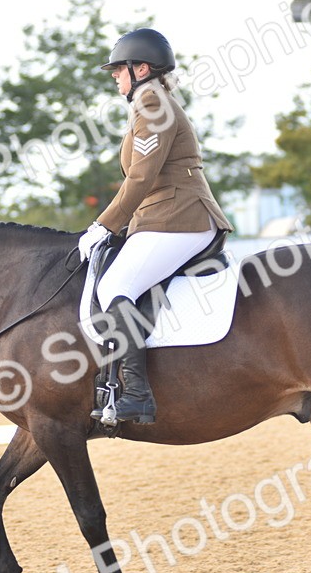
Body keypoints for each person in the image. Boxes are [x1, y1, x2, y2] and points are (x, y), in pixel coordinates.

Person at [77, 27, 233, 425]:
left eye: (119, 69)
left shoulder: (151, 102)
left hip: (180, 218)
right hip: (165, 219)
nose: (115, 76)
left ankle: (136, 394)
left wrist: (104, 225)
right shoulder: (149, 103)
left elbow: (141, 179)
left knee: (115, 286)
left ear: (141, 68)